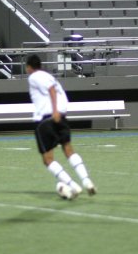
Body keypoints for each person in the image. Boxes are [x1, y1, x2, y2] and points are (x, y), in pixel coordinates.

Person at [26, 54, 96, 199]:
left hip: (46, 119)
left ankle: (73, 185)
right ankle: (86, 180)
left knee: (48, 159)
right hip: (61, 117)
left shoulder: (34, 77)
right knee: (69, 150)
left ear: (28, 67)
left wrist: (55, 110)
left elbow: (50, 89)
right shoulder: (49, 76)